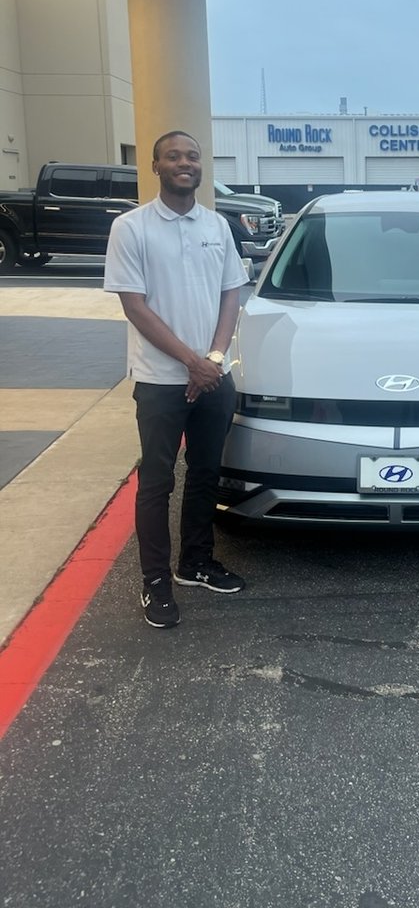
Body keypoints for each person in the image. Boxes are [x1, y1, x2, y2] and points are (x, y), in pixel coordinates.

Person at [104, 130, 249, 628]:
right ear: (156, 166)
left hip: (213, 375)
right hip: (161, 380)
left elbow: (233, 293)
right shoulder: (132, 228)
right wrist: (191, 362)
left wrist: (212, 358)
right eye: (173, 157)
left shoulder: (217, 226)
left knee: (206, 474)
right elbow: (134, 305)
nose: (184, 163)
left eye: (192, 156)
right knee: (157, 482)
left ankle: (195, 563)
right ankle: (155, 583)